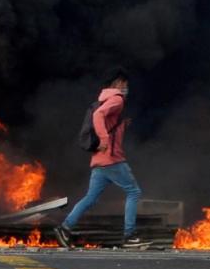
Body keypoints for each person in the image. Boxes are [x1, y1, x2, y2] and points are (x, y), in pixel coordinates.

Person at [54, 69, 145, 249]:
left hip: (99, 161)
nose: (126, 88)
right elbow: (99, 116)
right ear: (117, 84)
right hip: (113, 159)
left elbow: (106, 121)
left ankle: (64, 228)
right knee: (134, 192)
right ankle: (129, 235)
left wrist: (122, 125)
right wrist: (104, 139)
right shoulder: (117, 99)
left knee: (90, 198)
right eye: (124, 84)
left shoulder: (103, 99)